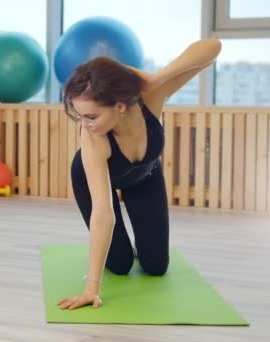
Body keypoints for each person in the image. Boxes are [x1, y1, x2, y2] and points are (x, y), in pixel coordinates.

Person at [58, 39, 222, 310]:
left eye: (91, 116)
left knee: (156, 267)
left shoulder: (152, 98)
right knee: (120, 265)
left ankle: (142, 248)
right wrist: (92, 288)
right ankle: (121, 251)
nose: (85, 125)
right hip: (94, 181)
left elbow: (212, 47)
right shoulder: (92, 139)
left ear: (120, 106)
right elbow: (103, 213)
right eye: (80, 115)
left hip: (145, 177)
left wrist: (158, 77)